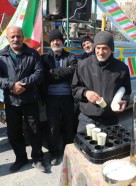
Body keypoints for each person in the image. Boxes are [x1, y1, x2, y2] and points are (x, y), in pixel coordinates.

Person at [0, 26, 46, 173]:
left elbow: (39, 73)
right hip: (11, 101)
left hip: (29, 99)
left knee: (34, 131)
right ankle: (21, 158)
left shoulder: (32, 54)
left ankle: (38, 159)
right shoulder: (1, 56)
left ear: (22, 37)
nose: (15, 39)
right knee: (14, 133)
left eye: (18, 36)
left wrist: (23, 84)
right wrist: (12, 85)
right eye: (12, 37)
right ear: (7, 38)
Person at [72, 31, 131, 132]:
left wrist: (124, 101)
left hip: (110, 120)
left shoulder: (122, 68)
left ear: (111, 49)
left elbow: (126, 91)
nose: (100, 52)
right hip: (87, 120)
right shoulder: (83, 65)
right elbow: (74, 89)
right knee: (84, 147)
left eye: (104, 48)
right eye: (98, 48)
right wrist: (86, 93)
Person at [41, 29, 77, 166]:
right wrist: (63, 73)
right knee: (52, 127)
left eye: (58, 40)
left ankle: (68, 151)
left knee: (69, 125)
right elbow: (45, 75)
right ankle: (54, 153)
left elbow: (73, 71)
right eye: (53, 40)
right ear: (50, 43)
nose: (56, 42)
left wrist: (53, 74)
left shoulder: (71, 56)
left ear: (62, 41)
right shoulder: (44, 58)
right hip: (51, 98)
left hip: (68, 97)